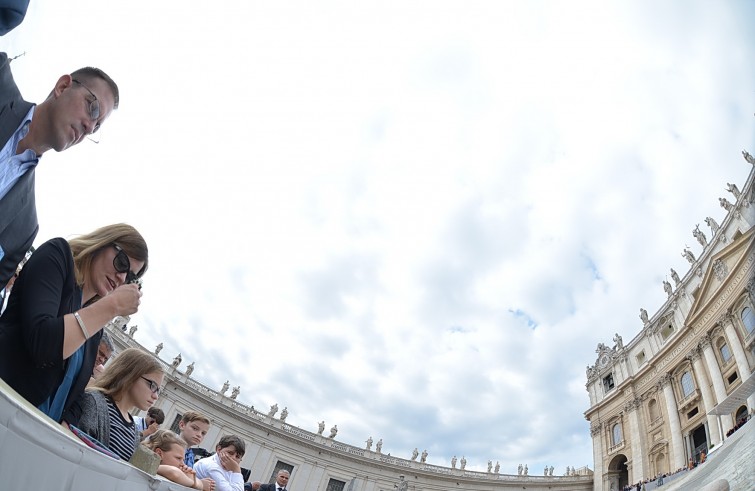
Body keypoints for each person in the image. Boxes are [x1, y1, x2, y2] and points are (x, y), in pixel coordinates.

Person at [0, 223, 146, 422]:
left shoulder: (95, 329)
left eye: (130, 277)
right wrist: (110, 306)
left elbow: (73, 395)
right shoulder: (57, 256)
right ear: (103, 243)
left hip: (32, 431)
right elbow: (43, 344)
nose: (121, 278)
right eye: (122, 263)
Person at [0, 53, 120, 288]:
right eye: (93, 108)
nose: (89, 126)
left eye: (96, 128)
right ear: (63, 86)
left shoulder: (25, 227)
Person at [64, 348, 163, 461]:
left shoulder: (133, 429)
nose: (156, 396)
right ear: (131, 375)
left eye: (158, 390)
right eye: (153, 386)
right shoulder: (93, 402)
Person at [143, 430, 215, 491]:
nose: (183, 464)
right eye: (178, 458)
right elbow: (174, 472)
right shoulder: (145, 464)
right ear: (159, 453)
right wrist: (197, 484)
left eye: (183, 460)